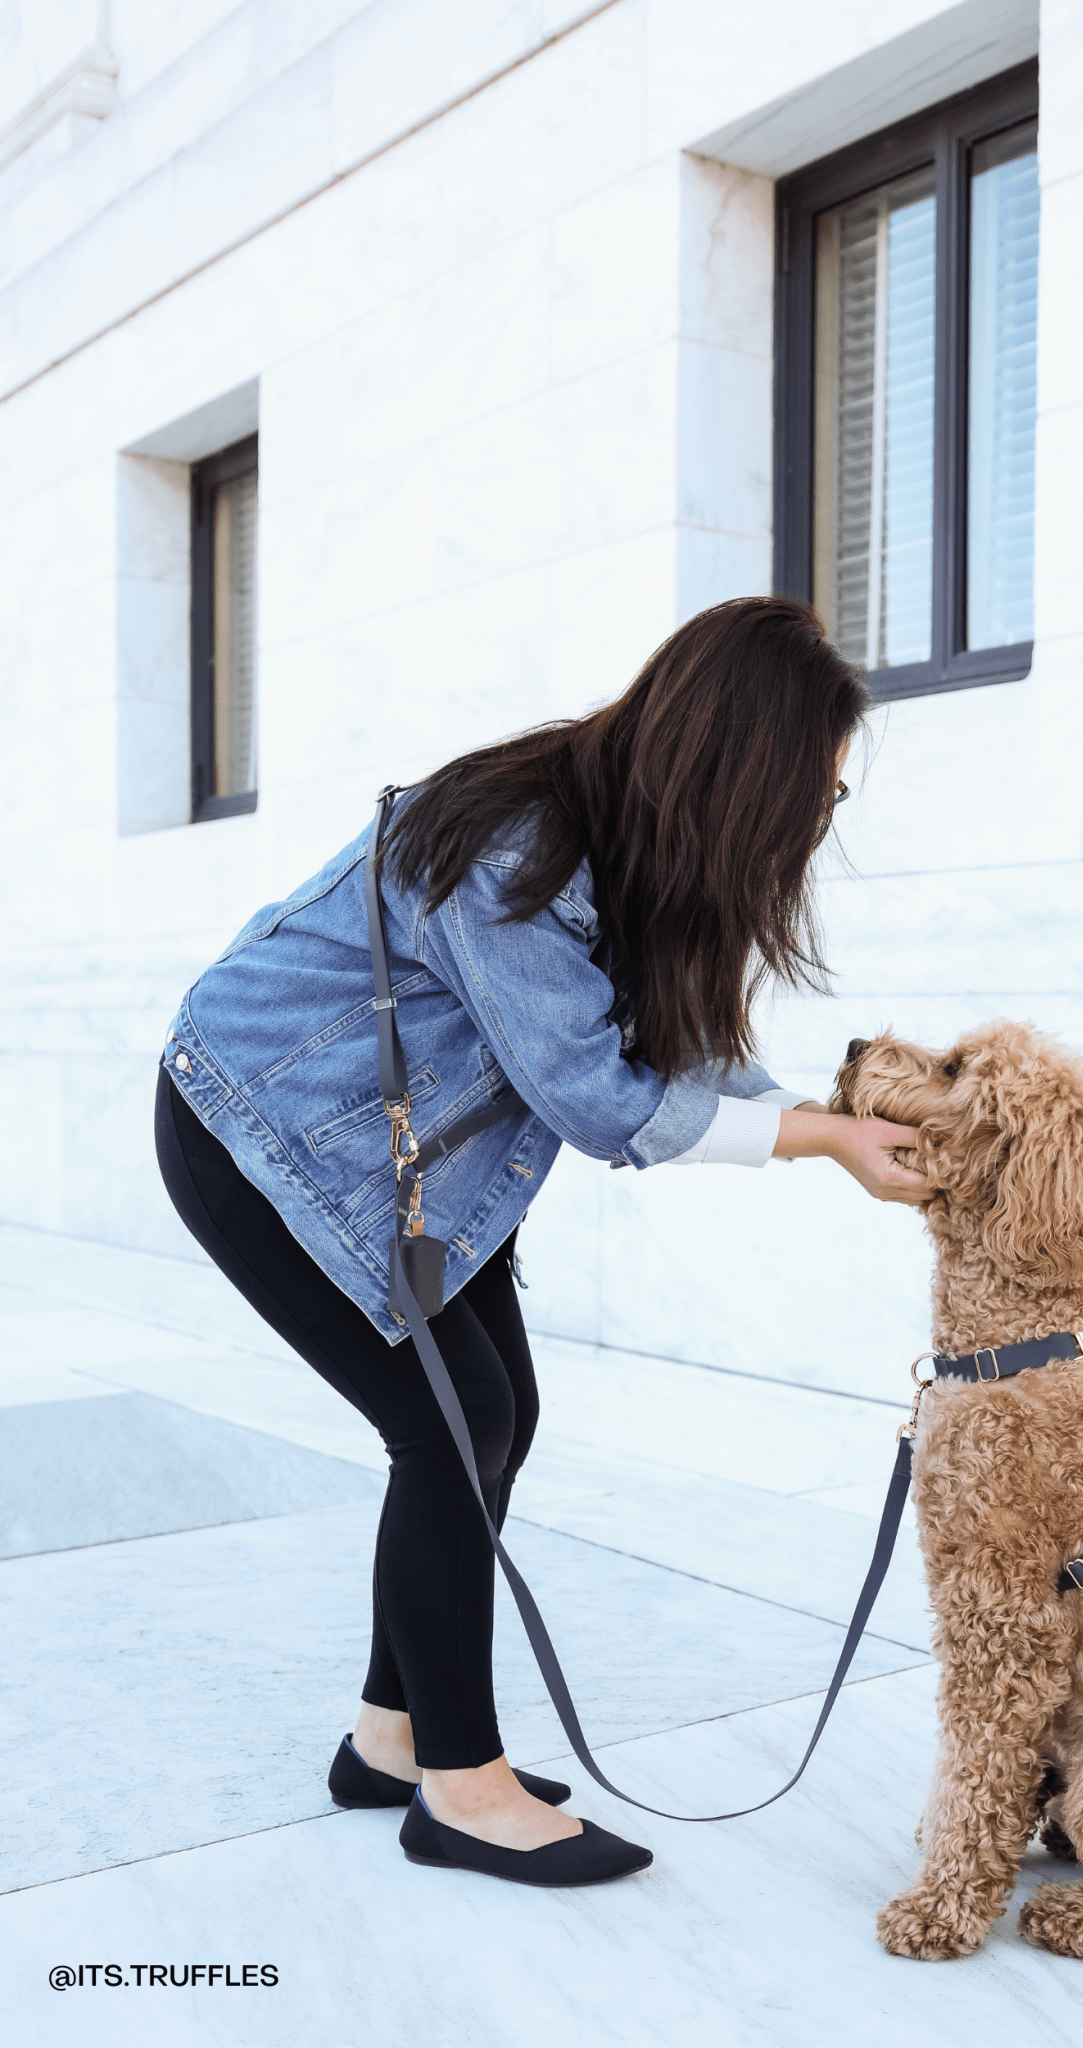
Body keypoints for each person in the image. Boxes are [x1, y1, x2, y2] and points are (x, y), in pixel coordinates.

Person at [153, 597, 927, 1890]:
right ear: (743, 766)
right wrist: (819, 1142)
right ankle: (463, 1791)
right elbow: (599, 1102)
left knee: (493, 1413)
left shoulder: (637, 846)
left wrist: (829, 1120)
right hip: (257, 1128)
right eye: (818, 791)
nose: (818, 820)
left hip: (407, 1164)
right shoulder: (521, 848)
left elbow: (681, 1047)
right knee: (451, 1425)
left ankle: (391, 1742)